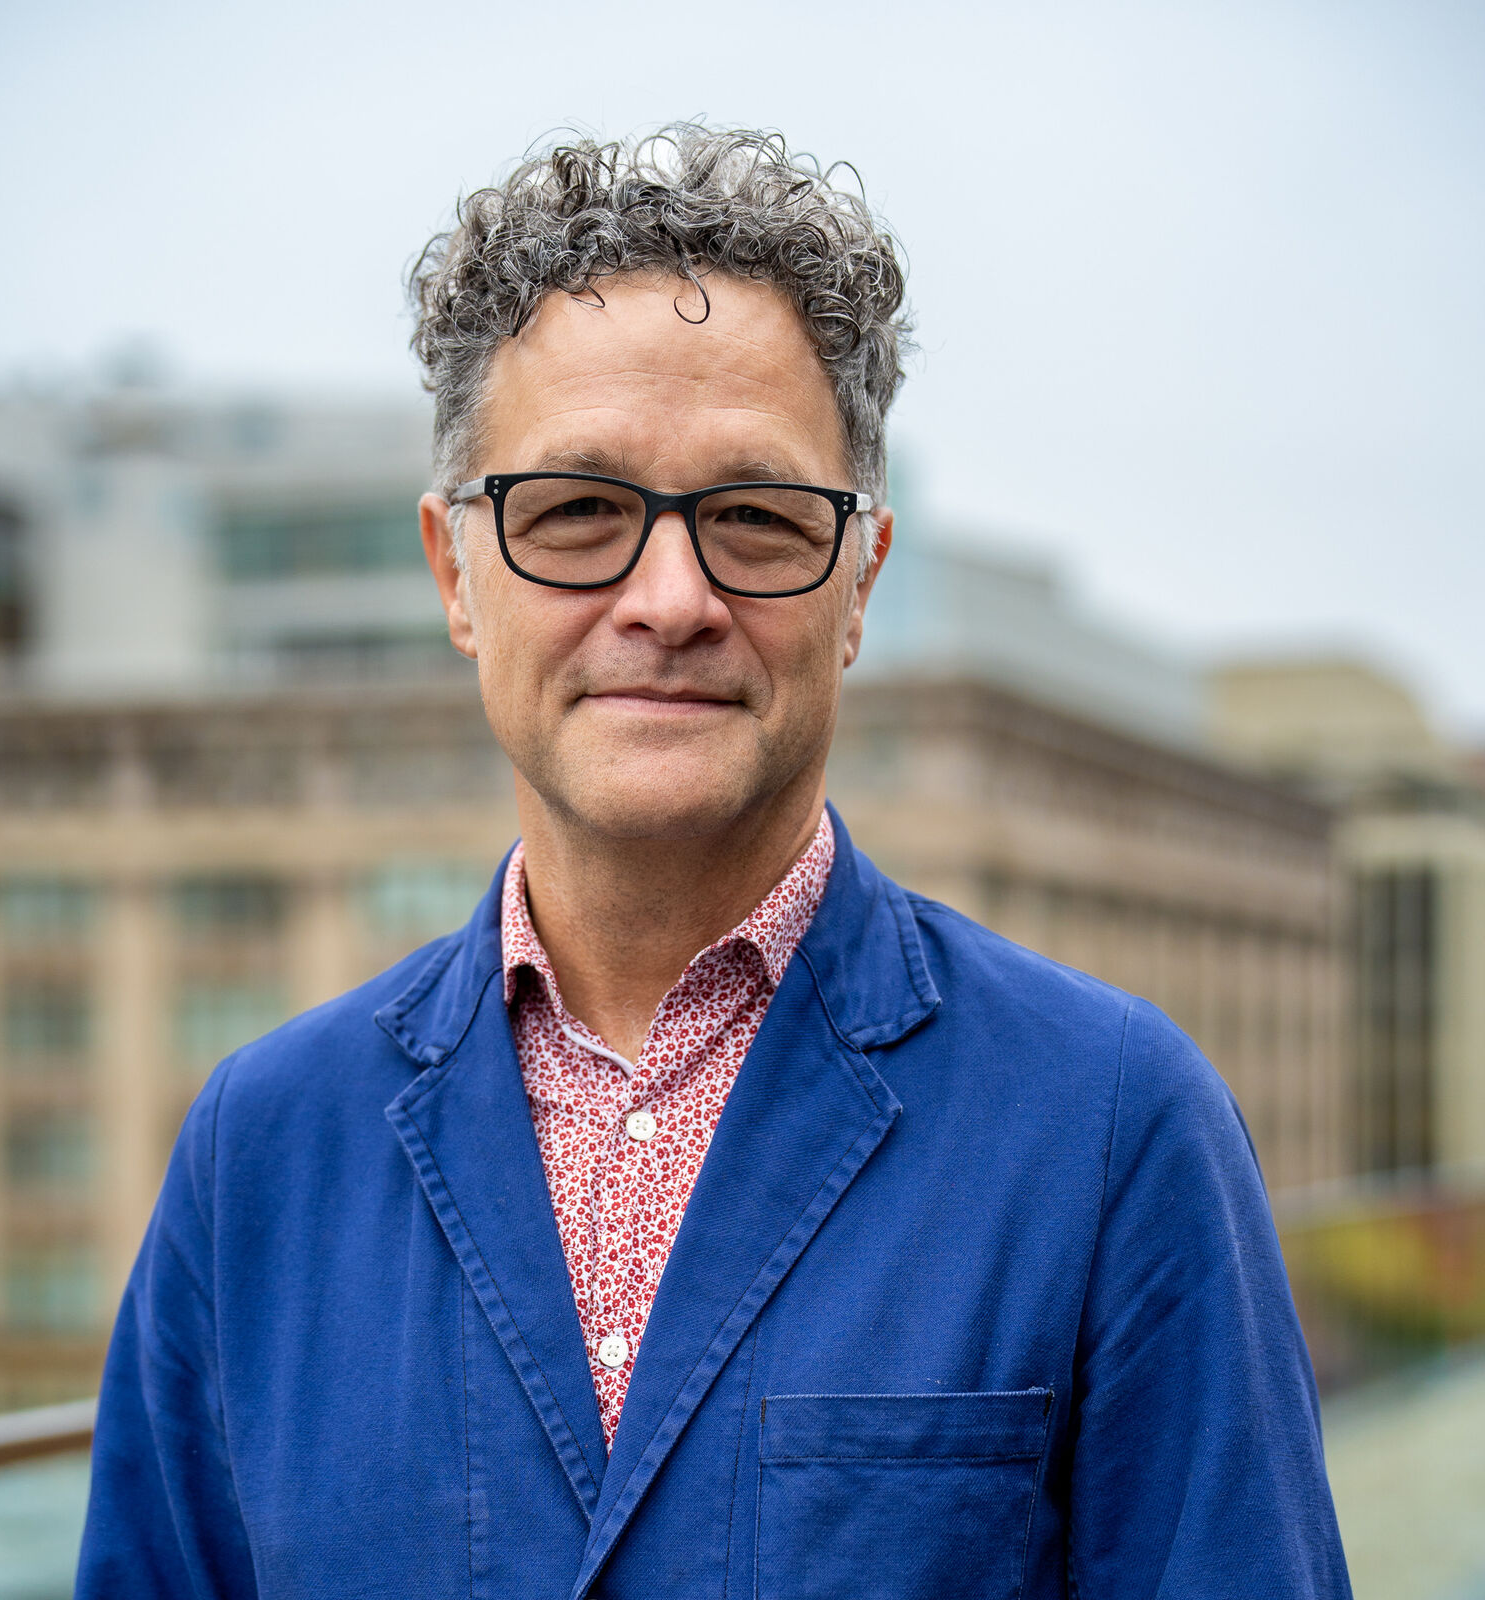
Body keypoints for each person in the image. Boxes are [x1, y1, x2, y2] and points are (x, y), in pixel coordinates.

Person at [77, 124, 1351, 1598]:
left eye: (752, 518)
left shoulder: (1118, 1127)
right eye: (576, 515)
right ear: (454, 576)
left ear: (859, 579)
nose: (668, 598)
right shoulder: (260, 1155)